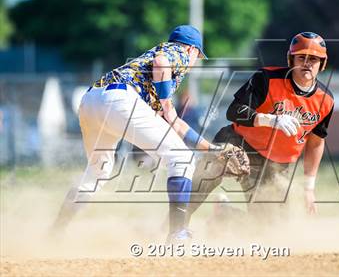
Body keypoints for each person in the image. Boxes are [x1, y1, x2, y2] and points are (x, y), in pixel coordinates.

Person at [52, 25, 216, 242]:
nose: (195, 61)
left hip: (91, 101)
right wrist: (166, 103)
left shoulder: (149, 67)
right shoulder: (178, 52)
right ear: (192, 49)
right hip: (121, 101)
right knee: (182, 158)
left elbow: (176, 125)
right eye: (198, 55)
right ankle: (178, 234)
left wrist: (212, 149)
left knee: (98, 173)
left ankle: (55, 231)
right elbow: (161, 63)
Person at [187, 32, 334, 222]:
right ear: (291, 59)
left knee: (266, 228)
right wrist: (270, 120)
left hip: (276, 166)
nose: (307, 63)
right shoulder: (267, 78)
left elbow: (315, 143)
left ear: (322, 63)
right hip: (240, 144)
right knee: (204, 179)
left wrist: (309, 188)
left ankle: (224, 215)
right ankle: (173, 226)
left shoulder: (326, 100)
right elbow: (234, 111)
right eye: (301, 57)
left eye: (314, 59)